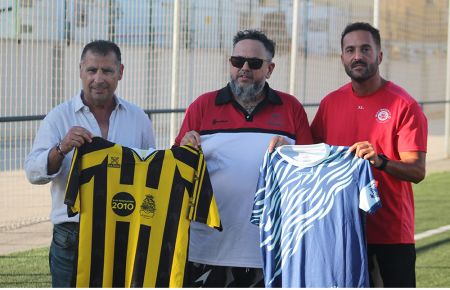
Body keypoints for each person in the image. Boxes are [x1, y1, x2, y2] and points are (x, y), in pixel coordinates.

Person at [174, 29, 313, 287]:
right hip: (207, 249)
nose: (244, 68)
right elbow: (176, 169)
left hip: (270, 249)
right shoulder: (203, 106)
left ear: (270, 69)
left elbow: (311, 173)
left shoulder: (291, 108)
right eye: (238, 61)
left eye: (255, 63)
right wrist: (184, 147)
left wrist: (293, 153)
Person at [24, 40, 156, 287]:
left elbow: (151, 172)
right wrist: (61, 148)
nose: (99, 78)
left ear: (120, 72)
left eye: (107, 71)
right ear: (81, 71)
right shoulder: (59, 116)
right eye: (92, 70)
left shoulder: (138, 118)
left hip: (124, 232)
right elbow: (32, 172)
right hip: (73, 235)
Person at [309, 22, 427, 287]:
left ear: (380, 55)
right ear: (342, 58)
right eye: (350, 50)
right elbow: (311, 152)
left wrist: (380, 161)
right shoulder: (331, 102)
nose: (357, 56)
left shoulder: (403, 104)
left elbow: (417, 171)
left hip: (390, 234)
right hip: (342, 230)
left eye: (365, 49)